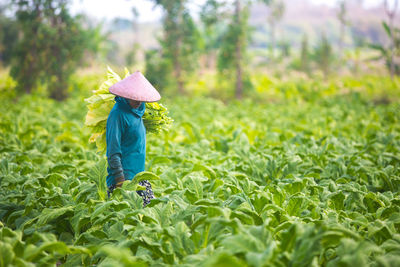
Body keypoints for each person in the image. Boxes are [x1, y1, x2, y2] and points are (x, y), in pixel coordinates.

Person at [105, 71, 161, 207]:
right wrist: (120, 182)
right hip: (123, 180)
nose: (138, 101)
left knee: (148, 218)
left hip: (139, 177)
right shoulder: (117, 115)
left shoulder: (139, 111)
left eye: (141, 98)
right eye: (134, 98)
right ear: (126, 95)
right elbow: (113, 151)